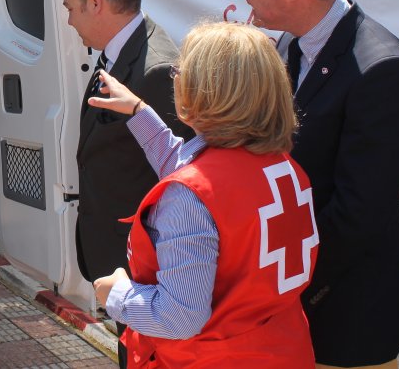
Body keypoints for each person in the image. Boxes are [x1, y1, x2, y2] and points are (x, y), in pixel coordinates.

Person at [236, 0, 399, 369]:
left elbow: (357, 216)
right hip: (282, 313)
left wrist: (282, 290)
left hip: (341, 318)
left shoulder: (383, 71)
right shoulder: (283, 47)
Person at [90, 21, 318, 368]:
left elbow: (179, 318)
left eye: (182, 70)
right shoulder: (282, 167)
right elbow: (193, 166)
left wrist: (116, 293)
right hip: (282, 351)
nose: (176, 77)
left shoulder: (189, 198)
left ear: (204, 93)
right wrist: (139, 111)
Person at [62, 0, 191, 283]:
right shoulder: (119, 48)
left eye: (71, 10)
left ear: (95, 2)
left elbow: (177, 180)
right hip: (115, 253)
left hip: (140, 264)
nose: (70, 21)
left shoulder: (157, 69)